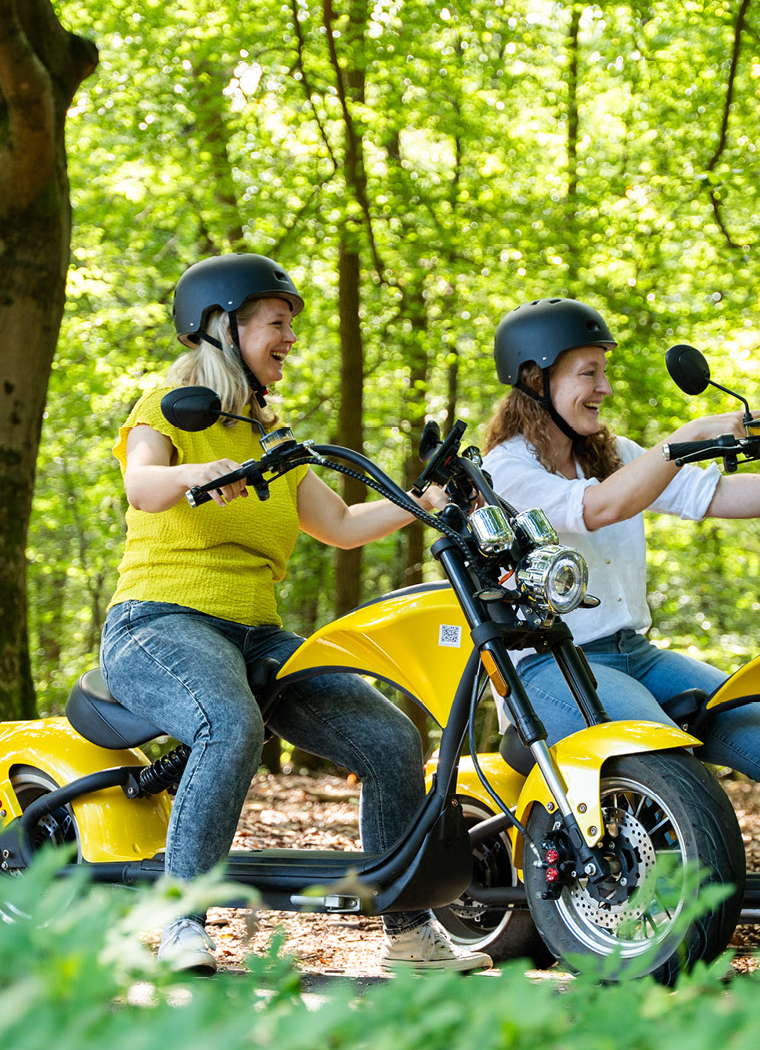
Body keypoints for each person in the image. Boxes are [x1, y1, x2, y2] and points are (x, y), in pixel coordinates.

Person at [100, 253, 489, 975]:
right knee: (229, 724)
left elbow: (339, 525)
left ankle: (409, 935)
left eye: (290, 326)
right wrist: (193, 472)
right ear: (223, 328)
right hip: (158, 624)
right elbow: (143, 486)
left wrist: (422, 504)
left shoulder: (272, 446)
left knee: (392, 739)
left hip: (257, 637)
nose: (289, 339)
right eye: (276, 323)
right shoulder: (163, 408)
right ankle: (184, 922)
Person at [480, 297, 760, 876]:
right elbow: (599, 508)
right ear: (537, 379)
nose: (604, 387)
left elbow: (714, 496)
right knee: (663, 761)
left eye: (603, 372)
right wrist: (682, 440)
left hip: (635, 654)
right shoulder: (505, 470)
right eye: (589, 373)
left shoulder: (611, 455)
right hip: (548, 667)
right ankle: (668, 932)